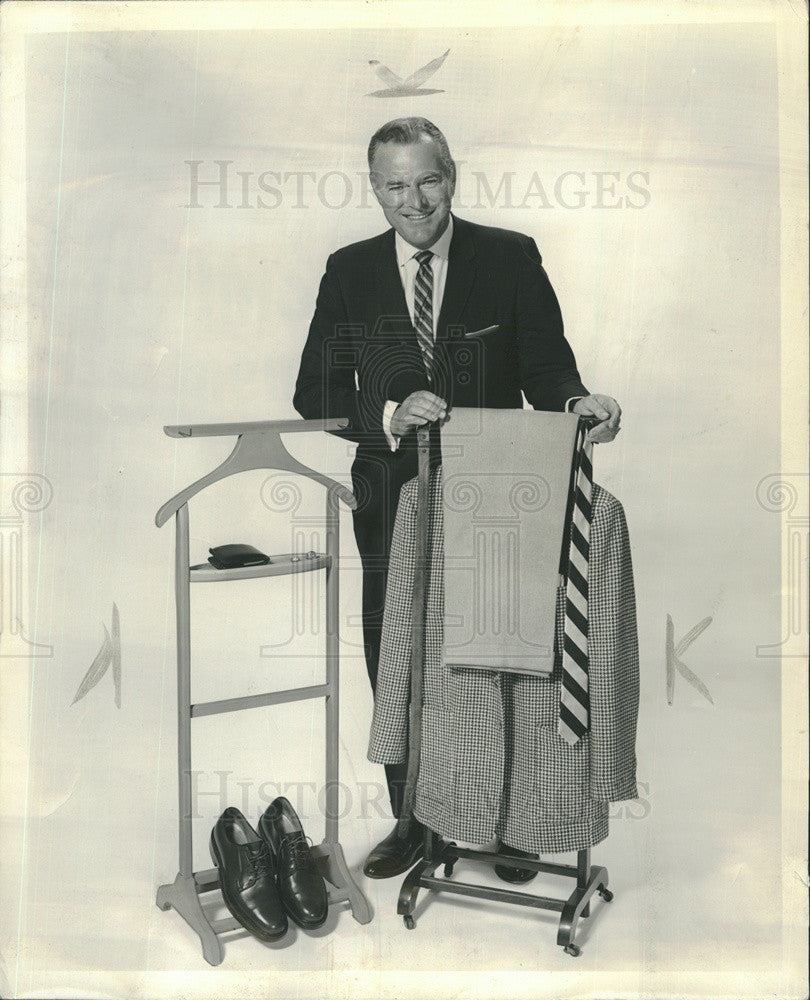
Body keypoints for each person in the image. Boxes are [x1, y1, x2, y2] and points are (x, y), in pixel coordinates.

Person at [293, 117, 621, 879]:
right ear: (375, 189)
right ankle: (416, 821)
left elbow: (548, 369)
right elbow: (313, 391)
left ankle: (511, 824)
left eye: (427, 180)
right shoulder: (348, 270)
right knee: (399, 650)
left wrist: (576, 404)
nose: (414, 201)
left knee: (504, 657)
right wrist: (386, 416)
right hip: (391, 496)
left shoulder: (508, 257)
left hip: (505, 498)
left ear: (453, 175)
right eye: (395, 185)